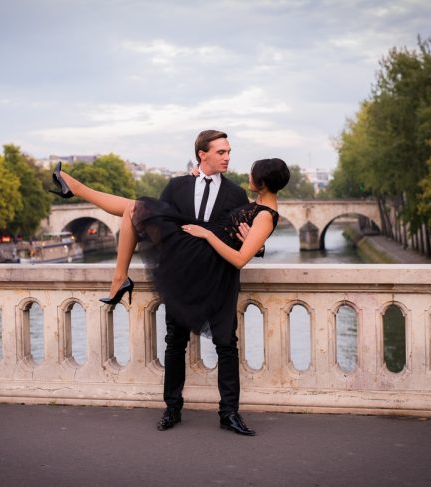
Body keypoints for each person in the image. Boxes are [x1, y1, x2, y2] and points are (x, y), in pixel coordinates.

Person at [50, 130, 290, 436]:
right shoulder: (177, 186)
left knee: (227, 345)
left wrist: (256, 246)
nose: (228, 157)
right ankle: (172, 407)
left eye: (229, 152)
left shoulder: (237, 194)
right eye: (222, 152)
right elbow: (157, 226)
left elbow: (248, 236)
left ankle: (229, 413)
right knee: (174, 342)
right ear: (203, 155)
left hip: (218, 276)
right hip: (182, 273)